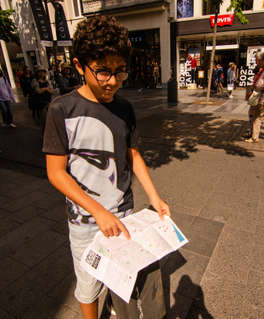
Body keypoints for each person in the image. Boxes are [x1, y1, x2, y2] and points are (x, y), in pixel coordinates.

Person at [42, 15, 170, 319]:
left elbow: (133, 155)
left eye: (119, 71)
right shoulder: (61, 110)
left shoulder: (124, 108)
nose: (112, 81)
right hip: (85, 221)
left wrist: (155, 197)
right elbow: (55, 172)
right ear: (79, 65)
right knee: (88, 283)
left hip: (123, 213)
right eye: (101, 71)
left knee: (122, 275)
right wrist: (97, 211)